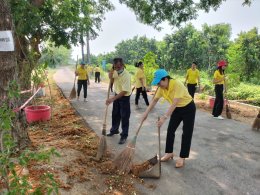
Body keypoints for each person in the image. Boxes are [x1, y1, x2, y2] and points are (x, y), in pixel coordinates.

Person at [142, 69, 196, 168]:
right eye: (157, 83)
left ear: (166, 79)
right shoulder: (161, 89)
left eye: (159, 83)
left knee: (186, 133)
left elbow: (175, 103)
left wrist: (164, 118)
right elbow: (154, 101)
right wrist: (145, 114)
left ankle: (182, 157)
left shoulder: (177, 84)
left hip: (188, 108)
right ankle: (169, 153)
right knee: (170, 130)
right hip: (177, 109)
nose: (158, 85)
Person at [106, 58, 131, 144]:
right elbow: (111, 79)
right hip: (117, 94)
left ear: (122, 65)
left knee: (124, 117)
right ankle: (114, 130)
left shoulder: (126, 75)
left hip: (124, 97)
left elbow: (124, 91)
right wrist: (111, 73)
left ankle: (124, 135)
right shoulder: (115, 71)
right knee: (115, 114)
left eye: (119, 67)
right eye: (115, 67)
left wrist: (112, 99)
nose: (117, 68)